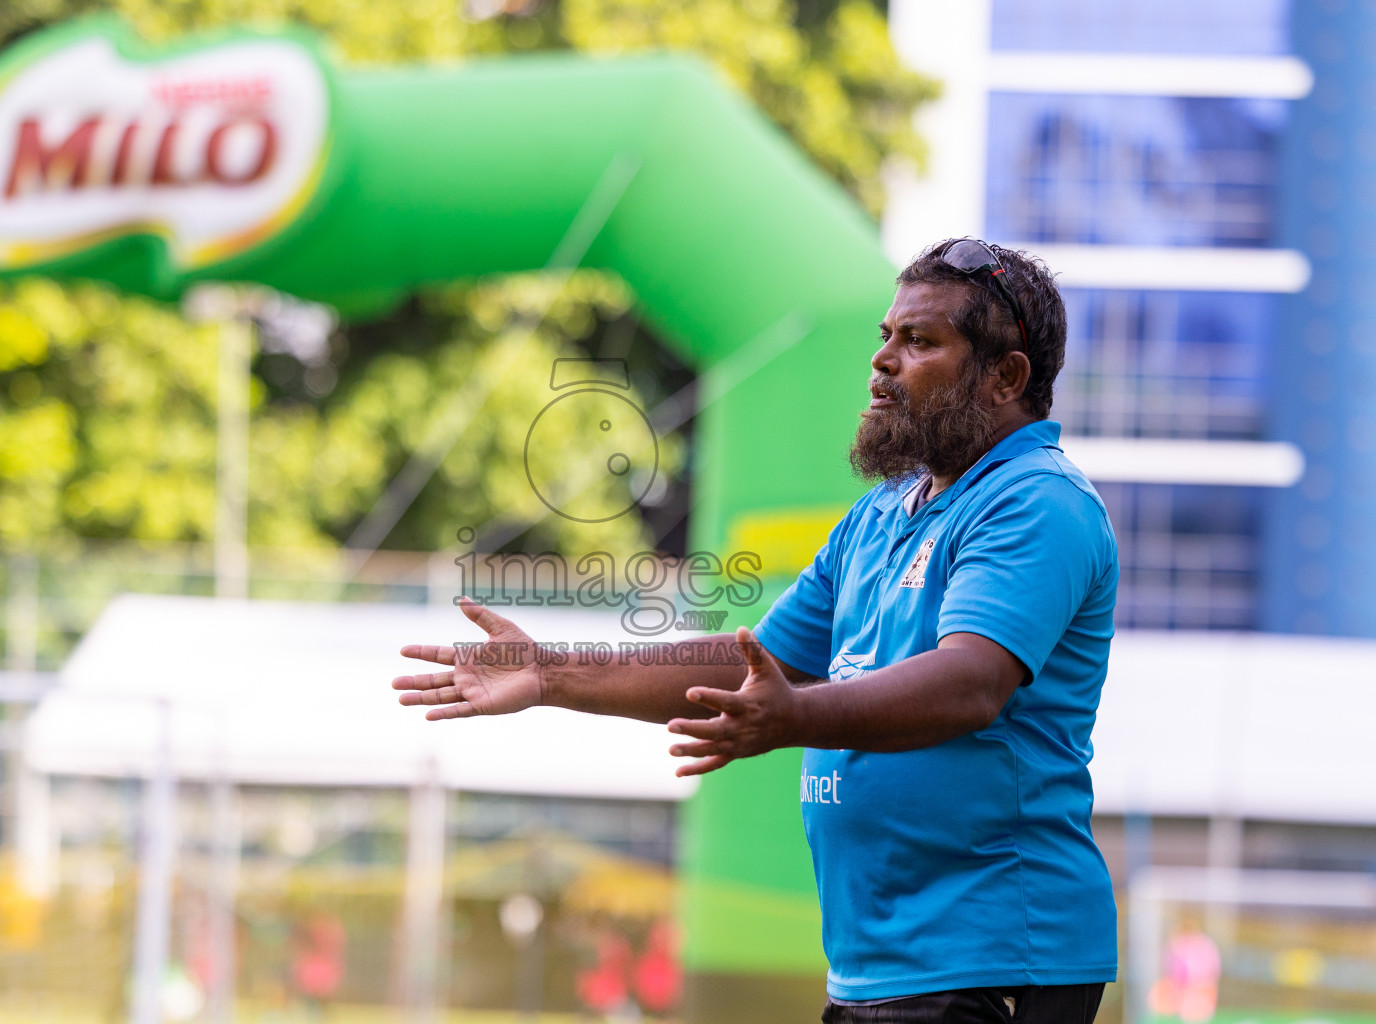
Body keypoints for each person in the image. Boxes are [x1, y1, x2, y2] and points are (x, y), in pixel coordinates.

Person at [394, 238, 1118, 1023]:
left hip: (994, 956)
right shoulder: (879, 516)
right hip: (879, 967)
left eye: (919, 341)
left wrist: (796, 718)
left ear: (1006, 376)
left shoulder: (1036, 501)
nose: (883, 361)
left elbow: (970, 684)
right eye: (885, 336)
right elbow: (761, 665)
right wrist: (551, 674)